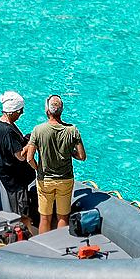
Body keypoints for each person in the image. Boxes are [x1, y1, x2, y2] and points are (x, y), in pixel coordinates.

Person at [23, 94, 86, 234]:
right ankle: (61, 245)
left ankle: (44, 249)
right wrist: (70, 152)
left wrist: (38, 168)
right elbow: (82, 156)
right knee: (62, 217)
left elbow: (29, 158)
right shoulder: (72, 130)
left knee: (45, 218)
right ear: (61, 111)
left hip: (45, 180)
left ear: (47, 111)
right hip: (65, 179)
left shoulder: (38, 130)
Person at [0, 91, 36, 223]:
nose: (21, 113)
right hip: (15, 179)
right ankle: (25, 234)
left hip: (9, 174)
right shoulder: (7, 131)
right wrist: (31, 142)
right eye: (20, 111)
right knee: (21, 211)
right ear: (12, 112)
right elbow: (21, 156)